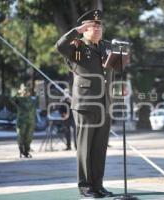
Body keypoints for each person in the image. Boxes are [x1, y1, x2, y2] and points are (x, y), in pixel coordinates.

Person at [56, 9, 114, 198]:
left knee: (99, 147)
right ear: (85, 29)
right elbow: (59, 46)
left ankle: (98, 184)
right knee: (85, 147)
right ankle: (86, 186)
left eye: (99, 26)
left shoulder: (107, 47)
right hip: (85, 104)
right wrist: (76, 31)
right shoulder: (77, 46)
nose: (97, 29)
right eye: (92, 26)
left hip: (104, 104)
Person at [11, 84, 37, 158]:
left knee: (29, 137)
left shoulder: (32, 100)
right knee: (20, 137)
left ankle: (26, 151)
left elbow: (39, 102)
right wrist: (17, 92)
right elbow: (11, 99)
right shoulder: (19, 99)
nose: (26, 92)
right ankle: (21, 151)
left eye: (27, 91)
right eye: (24, 91)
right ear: (21, 92)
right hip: (22, 122)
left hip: (30, 121)